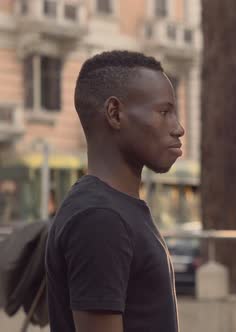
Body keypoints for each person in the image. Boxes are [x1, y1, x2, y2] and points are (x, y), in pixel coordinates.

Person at [45, 50, 185, 332]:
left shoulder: (115, 209)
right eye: (164, 112)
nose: (178, 128)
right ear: (115, 113)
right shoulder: (100, 219)